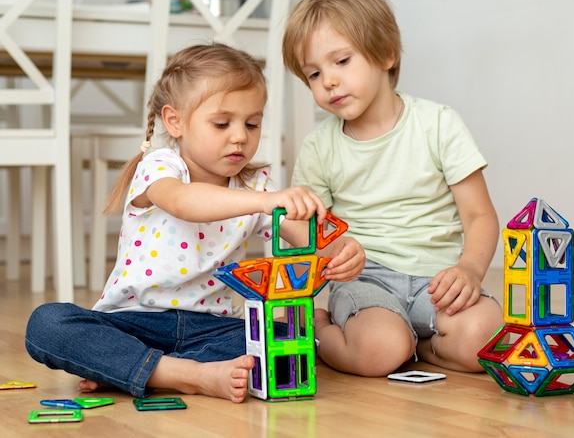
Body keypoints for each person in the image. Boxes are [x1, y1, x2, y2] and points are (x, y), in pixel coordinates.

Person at [25, 42, 365, 403]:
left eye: (252, 124)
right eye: (222, 123)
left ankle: (136, 371)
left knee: (288, 340)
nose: (240, 136)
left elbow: (307, 238)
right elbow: (185, 202)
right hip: (135, 322)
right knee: (47, 323)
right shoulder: (160, 167)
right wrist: (264, 201)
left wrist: (344, 251)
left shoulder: (255, 186)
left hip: (211, 328)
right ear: (175, 121)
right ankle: (186, 374)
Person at [282, 0, 503, 376]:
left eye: (341, 61)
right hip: (366, 280)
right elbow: (297, 221)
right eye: (314, 74)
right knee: (378, 350)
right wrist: (332, 249)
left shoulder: (438, 124)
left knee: (485, 340)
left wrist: (469, 269)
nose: (328, 81)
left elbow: (479, 215)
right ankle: (319, 330)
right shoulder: (320, 145)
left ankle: (417, 347)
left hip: (438, 277)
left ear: (386, 53)